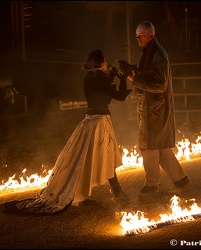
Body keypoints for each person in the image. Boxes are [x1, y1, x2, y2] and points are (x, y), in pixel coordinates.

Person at [2, 49, 132, 214]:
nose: (107, 62)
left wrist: (112, 76)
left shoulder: (90, 77)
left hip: (90, 121)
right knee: (105, 156)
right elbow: (119, 96)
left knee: (87, 160)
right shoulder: (101, 78)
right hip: (100, 122)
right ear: (101, 62)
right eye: (105, 60)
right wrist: (121, 79)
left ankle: (87, 194)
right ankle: (118, 193)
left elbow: (102, 88)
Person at [126, 21, 191, 195]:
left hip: (154, 109)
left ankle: (152, 184)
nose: (137, 38)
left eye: (141, 34)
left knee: (148, 146)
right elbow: (151, 77)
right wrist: (134, 72)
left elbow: (159, 85)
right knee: (159, 145)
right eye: (136, 35)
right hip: (152, 107)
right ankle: (180, 178)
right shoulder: (150, 52)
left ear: (151, 35)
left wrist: (136, 80)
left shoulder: (158, 55)